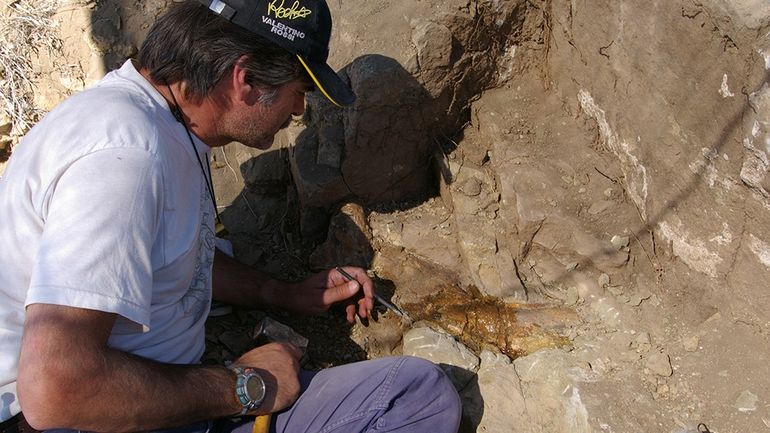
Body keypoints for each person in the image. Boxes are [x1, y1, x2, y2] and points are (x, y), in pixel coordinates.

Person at [0, 0, 462, 432]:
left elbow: (166, 254)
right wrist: (248, 386)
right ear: (247, 81)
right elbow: (57, 387)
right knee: (415, 395)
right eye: (299, 91)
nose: (300, 110)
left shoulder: (162, 120)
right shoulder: (125, 160)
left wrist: (283, 293)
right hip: (85, 417)